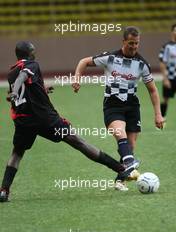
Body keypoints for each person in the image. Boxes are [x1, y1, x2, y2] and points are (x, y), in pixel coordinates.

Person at [0, 41, 138, 202]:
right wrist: (15, 92)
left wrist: (42, 90)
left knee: (17, 153)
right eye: (33, 51)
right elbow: (23, 78)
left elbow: (26, 90)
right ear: (29, 53)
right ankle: (121, 168)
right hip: (46, 119)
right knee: (78, 141)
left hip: (24, 121)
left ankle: (4, 190)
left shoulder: (11, 73)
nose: (34, 54)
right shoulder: (31, 65)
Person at [72, 26, 164, 191]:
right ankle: (129, 162)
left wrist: (158, 114)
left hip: (132, 106)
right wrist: (77, 78)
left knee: (131, 146)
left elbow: (152, 90)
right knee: (120, 134)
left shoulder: (142, 64)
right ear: (123, 41)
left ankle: (120, 180)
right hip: (113, 105)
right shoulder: (111, 58)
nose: (134, 47)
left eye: (136, 43)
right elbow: (83, 62)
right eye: (131, 43)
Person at [159, 24, 176, 118]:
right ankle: (161, 119)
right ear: (172, 32)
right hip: (170, 77)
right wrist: (165, 79)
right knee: (166, 99)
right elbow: (162, 63)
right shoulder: (167, 46)